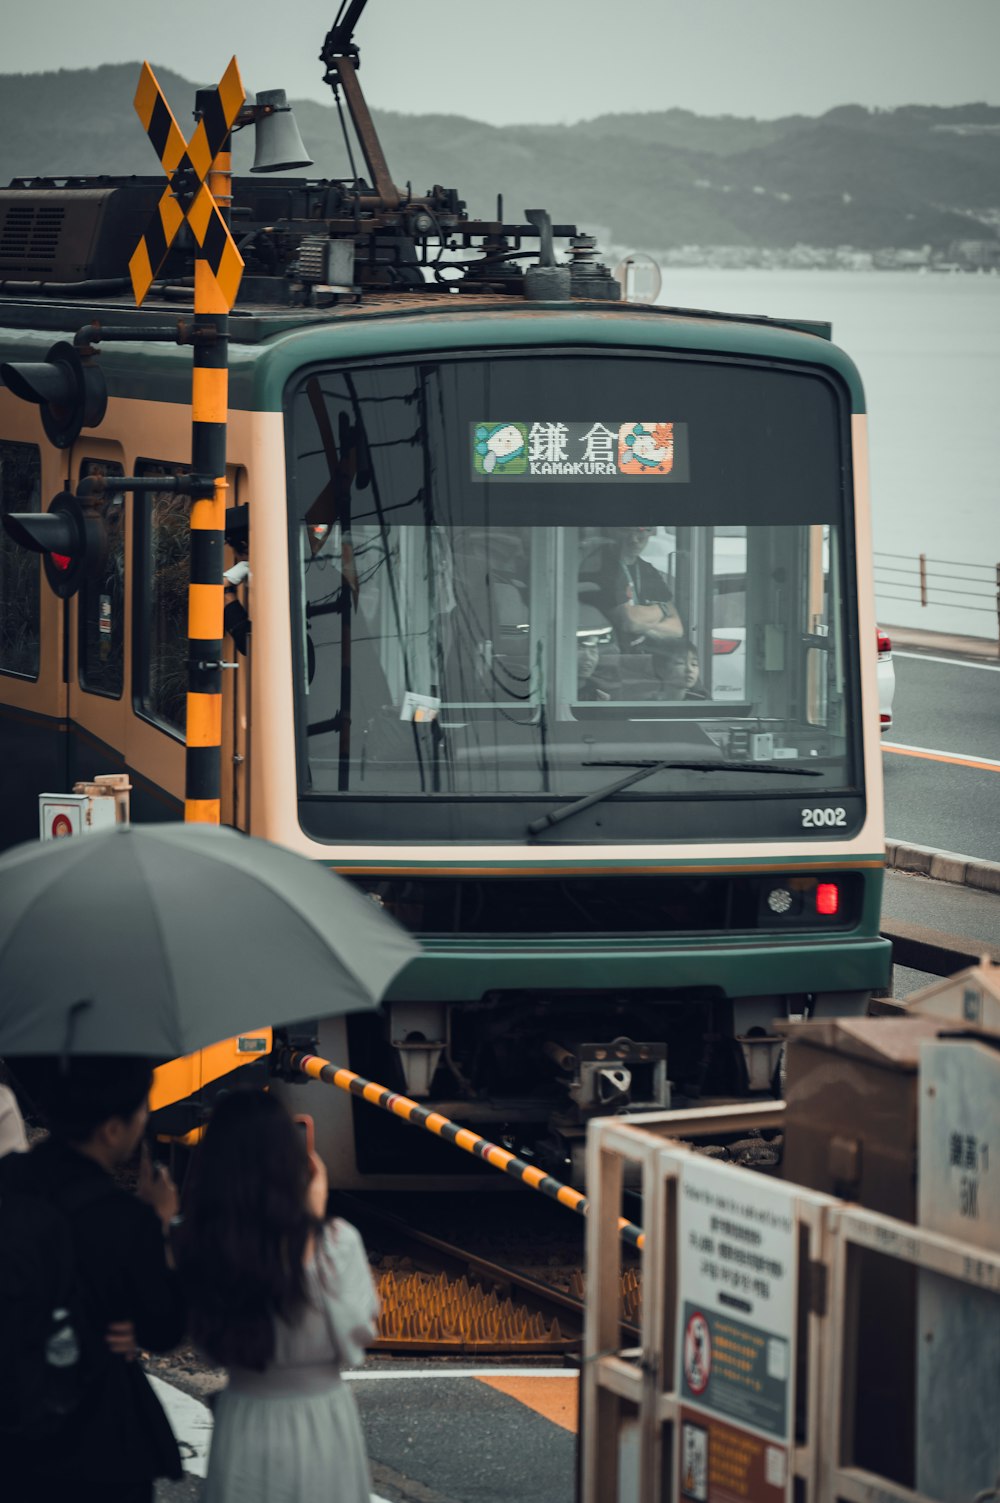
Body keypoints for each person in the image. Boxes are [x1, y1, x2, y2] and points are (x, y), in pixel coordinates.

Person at [176, 1090, 379, 1503]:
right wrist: (313, 1221)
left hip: (244, 1415)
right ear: (294, 1161)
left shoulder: (201, 1245)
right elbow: (358, 1332)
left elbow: (202, 1342)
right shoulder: (335, 1244)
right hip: (322, 1419)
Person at [2, 1055, 184, 1503]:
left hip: (13, 1428)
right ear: (111, 1129)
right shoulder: (124, 1219)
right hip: (96, 1437)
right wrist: (161, 1221)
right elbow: (164, 1328)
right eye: (140, 1109)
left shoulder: (9, 1182)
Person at [584, 525, 684, 651]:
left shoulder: (648, 570)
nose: (634, 539)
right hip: (609, 656)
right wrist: (663, 610)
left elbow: (676, 628)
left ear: (650, 532)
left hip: (642, 656)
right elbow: (630, 621)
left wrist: (643, 625)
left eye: (640, 531)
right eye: (626, 530)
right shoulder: (600, 565)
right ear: (611, 530)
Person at [651, 636, 709, 701]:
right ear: (661, 670)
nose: (690, 669)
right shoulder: (649, 705)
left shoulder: (701, 702)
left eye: (694, 664)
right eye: (680, 663)